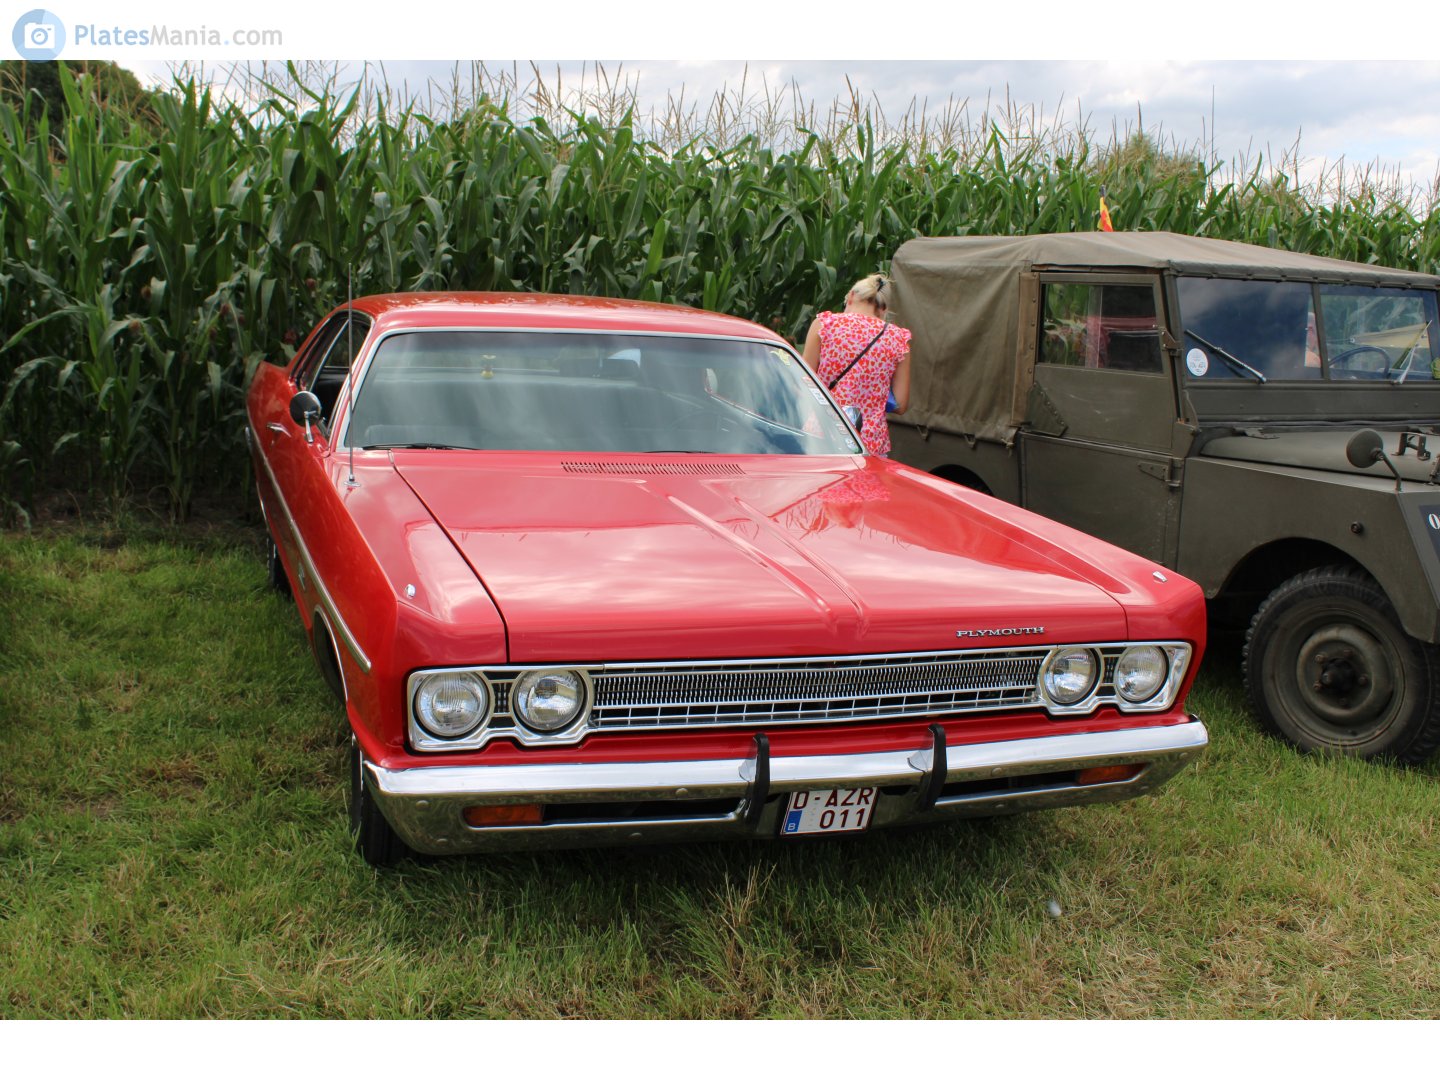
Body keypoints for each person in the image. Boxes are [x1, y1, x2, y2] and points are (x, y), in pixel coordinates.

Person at [801, 273, 912, 457]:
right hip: (869, 444)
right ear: (883, 309)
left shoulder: (825, 325)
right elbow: (900, 405)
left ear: (851, 296)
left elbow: (803, 382)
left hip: (821, 436)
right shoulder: (898, 339)